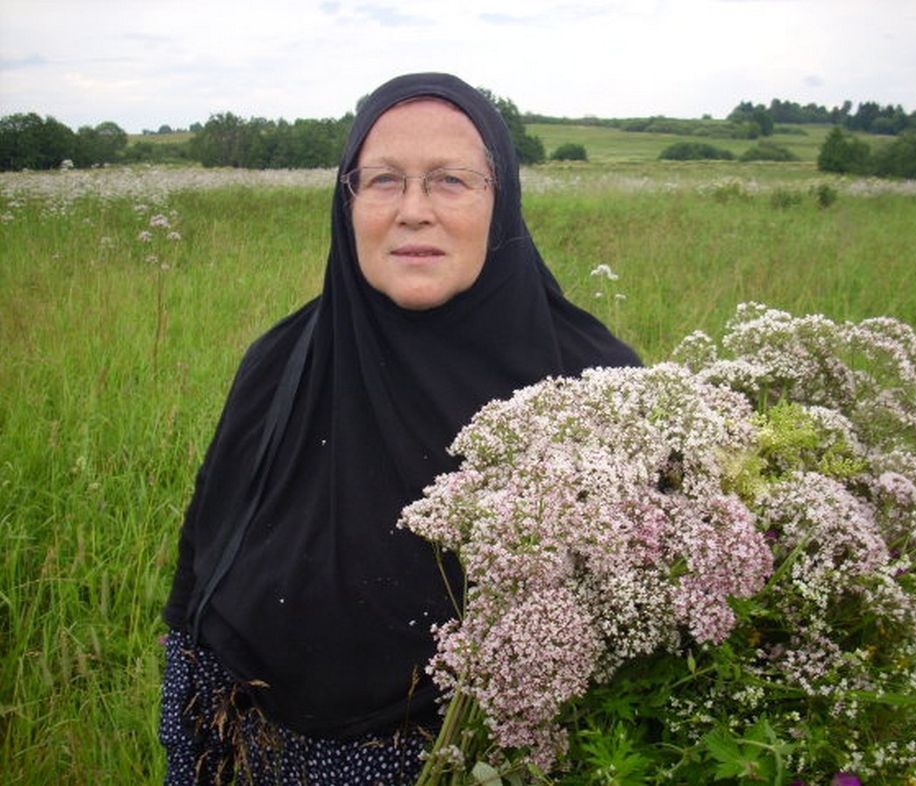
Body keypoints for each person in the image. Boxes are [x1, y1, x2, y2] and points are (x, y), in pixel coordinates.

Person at [160, 72, 641, 785]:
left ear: (502, 200)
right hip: (258, 751)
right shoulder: (282, 363)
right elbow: (201, 574)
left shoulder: (597, 387)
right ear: (348, 203)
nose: (414, 211)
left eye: (451, 180)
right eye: (384, 180)